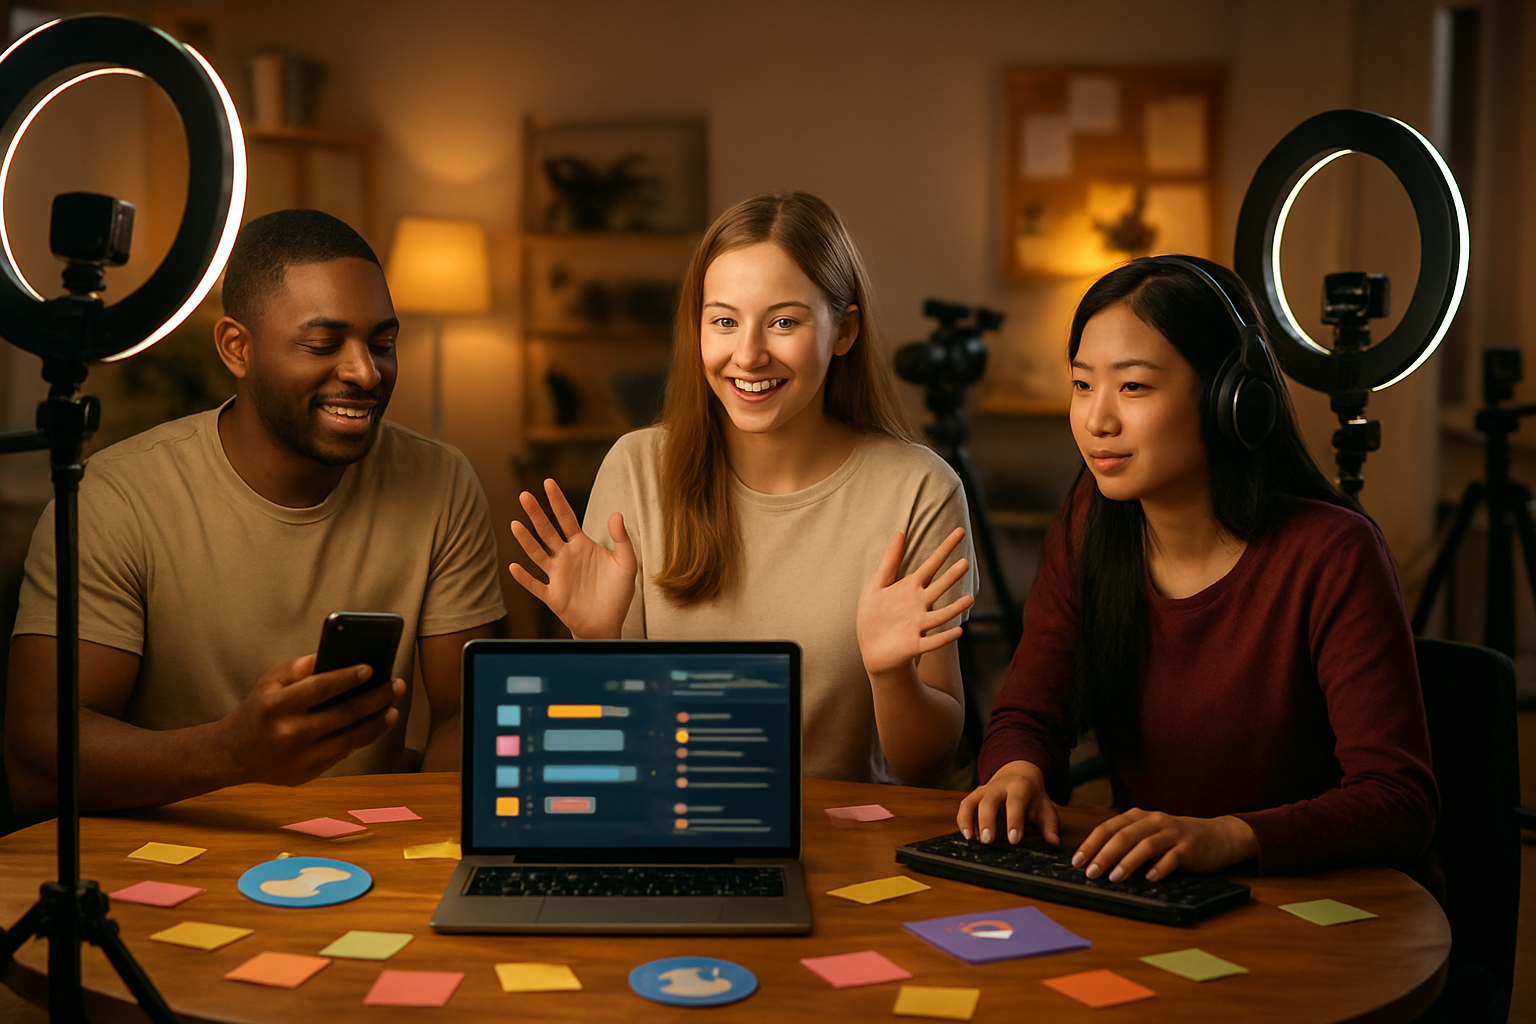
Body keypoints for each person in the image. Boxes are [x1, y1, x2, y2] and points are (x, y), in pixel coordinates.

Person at [957, 255, 1439, 892]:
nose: (1097, 420)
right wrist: (1017, 772)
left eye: (1133, 387)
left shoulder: (1333, 554)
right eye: (1082, 385)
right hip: (1166, 891)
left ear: (1228, 399)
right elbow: (1030, 714)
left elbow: (1398, 801)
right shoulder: (1087, 527)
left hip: (1323, 900)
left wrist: (1226, 835)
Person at [5, 209, 507, 816]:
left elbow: (466, 716)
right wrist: (233, 754)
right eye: (323, 344)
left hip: (361, 857)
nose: (365, 372)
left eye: (383, 343)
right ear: (236, 348)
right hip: (161, 855)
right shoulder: (117, 497)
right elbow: (35, 760)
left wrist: (424, 847)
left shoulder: (440, 481)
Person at [510, 191, 977, 786]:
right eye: (724, 321)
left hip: (843, 840)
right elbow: (604, 757)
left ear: (844, 330)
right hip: (671, 828)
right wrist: (596, 641)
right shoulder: (635, 468)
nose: (748, 355)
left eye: (783, 321)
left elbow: (927, 765)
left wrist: (891, 676)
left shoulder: (919, 490)